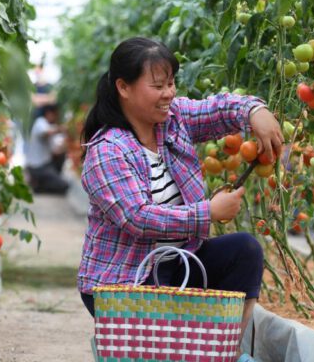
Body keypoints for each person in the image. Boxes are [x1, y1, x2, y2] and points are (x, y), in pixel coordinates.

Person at [77, 37, 283, 362]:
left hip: (179, 262)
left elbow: (217, 109)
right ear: (124, 87)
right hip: (126, 280)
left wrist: (255, 111)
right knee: (166, 343)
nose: (169, 94)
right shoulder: (107, 150)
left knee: (244, 250)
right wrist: (207, 213)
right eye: (158, 85)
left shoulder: (173, 120)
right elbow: (137, 218)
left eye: (171, 83)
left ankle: (225, 352)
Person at [25, 103, 70, 194]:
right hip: (37, 167)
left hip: (45, 165)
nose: (56, 117)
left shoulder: (49, 126)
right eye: (55, 114)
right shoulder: (40, 122)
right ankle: (38, 185)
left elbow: (56, 151)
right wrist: (61, 129)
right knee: (63, 186)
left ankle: (41, 182)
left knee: (62, 156)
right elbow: (46, 133)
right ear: (49, 113)